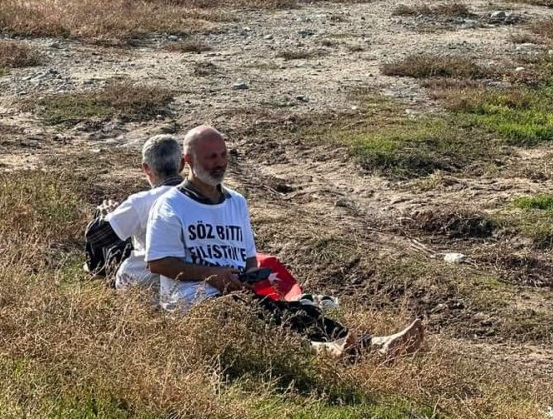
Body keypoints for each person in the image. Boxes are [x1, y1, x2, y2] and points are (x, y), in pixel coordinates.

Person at [146, 125, 424, 358]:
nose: (219, 163)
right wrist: (211, 276)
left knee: (299, 314)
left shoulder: (236, 202)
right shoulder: (170, 205)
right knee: (247, 319)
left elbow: (248, 258)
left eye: (223, 155)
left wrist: (249, 277)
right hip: (194, 306)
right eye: (210, 157)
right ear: (187, 161)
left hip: (237, 296)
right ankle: (328, 353)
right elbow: (158, 262)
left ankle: (374, 344)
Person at [84, 133, 184, 292]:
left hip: (142, 284)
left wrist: (107, 215)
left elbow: (96, 236)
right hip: (188, 283)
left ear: (146, 168)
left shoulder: (143, 202)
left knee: (106, 220)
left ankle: (97, 273)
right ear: (182, 164)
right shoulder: (203, 197)